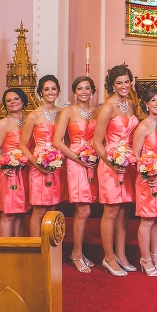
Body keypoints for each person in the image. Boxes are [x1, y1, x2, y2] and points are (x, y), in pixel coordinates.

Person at [93, 66, 138, 276]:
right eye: (119, 82)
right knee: (111, 211)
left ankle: (121, 254)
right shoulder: (108, 108)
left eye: (126, 82)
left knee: (124, 210)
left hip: (126, 162)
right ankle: (108, 257)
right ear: (112, 85)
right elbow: (97, 142)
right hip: (111, 163)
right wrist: (111, 163)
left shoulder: (131, 104)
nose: (123, 86)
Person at [53, 76, 98, 274]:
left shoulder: (97, 112)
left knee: (86, 210)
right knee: (83, 210)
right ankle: (76, 253)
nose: (84, 91)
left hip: (93, 161)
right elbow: (57, 141)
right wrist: (78, 158)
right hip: (76, 161)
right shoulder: (68, 112)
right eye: (79, 88)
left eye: (87, 88)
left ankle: (79, 252)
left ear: (92, 90)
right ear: (74, 92)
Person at [19, 75, 65, 238]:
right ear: (40, 92)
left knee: (53, 207)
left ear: (58, 91)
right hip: (38, 163)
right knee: (39, 209)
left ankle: (51, 245)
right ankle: (37, 247)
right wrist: (35, 163)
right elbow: (22, 145)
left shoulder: (63, 113)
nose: (50, 92)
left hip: (57, 164)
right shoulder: (34, 115)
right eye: (46, 89)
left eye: (53, 89)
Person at [132, 87, 157, 276]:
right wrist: (147, 173)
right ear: (146, 104)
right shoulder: (143, 126)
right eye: (153, 100)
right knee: (147, 219)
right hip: (147, 179)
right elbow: (135, 156)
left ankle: (155, 256)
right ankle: (145, 258)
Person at [0, 88, 31, 237]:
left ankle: (18, 247)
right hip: (10, 173)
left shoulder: (29, 122)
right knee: (9, 214)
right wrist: (3, 165)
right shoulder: (3, 124)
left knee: (21, 213)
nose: (13, 102)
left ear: (23, 100)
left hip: (26, 172)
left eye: (16, 98)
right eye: (8, 100)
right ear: (5, 105)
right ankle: (6, 248)